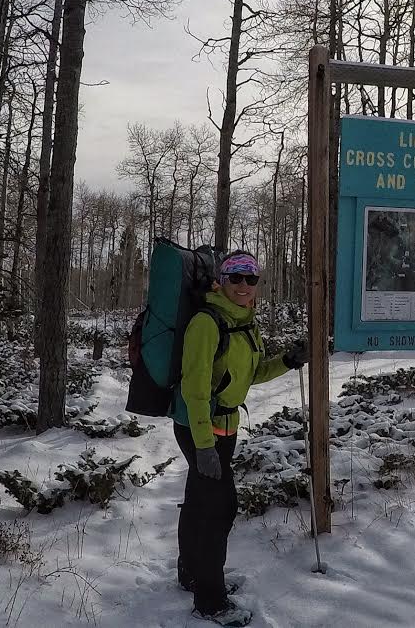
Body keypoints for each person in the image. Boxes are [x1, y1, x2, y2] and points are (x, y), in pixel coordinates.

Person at [170, 250, 308, 626]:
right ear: (220, 281)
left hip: (225, 428)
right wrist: (203, 447)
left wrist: (287, 361)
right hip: (202, 427)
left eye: (251, 279)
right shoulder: (206, 323)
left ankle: (193, 574)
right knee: (219, 508)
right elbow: (194, 390)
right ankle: (211, 601)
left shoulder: (245, 323)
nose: (244, 286)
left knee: (200, 501)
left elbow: (251, 375)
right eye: (235, 278)